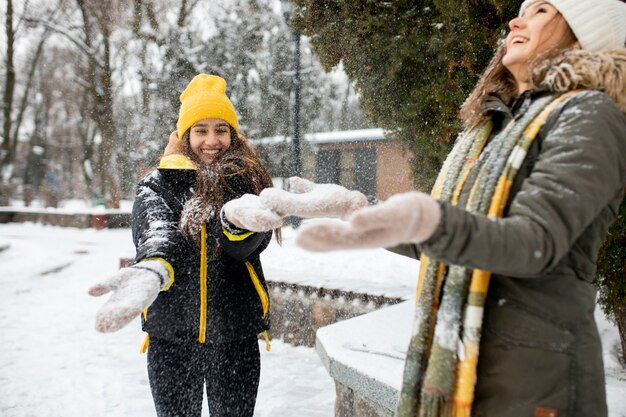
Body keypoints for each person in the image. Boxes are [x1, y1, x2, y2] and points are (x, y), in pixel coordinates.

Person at [225, 1, 626, 416]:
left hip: (536, 383)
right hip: (467, 369)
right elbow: (452, 242)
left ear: (583, 31)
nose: (516, 19)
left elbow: (535, 243)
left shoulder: (589, 117)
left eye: (543, 11)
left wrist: (428, 219)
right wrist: (355, 209)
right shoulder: (496, 128)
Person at [88, 74, 282, 417]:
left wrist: (236, 222)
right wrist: (153, 268)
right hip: (171, 335)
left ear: (232, 135)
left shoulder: (247, 181)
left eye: (221, 129)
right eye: (201, 130)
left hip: (235, 334)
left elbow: (246, 248)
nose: (211, 140)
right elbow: (159, 232)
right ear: (185, 135)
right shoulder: (157, 185)